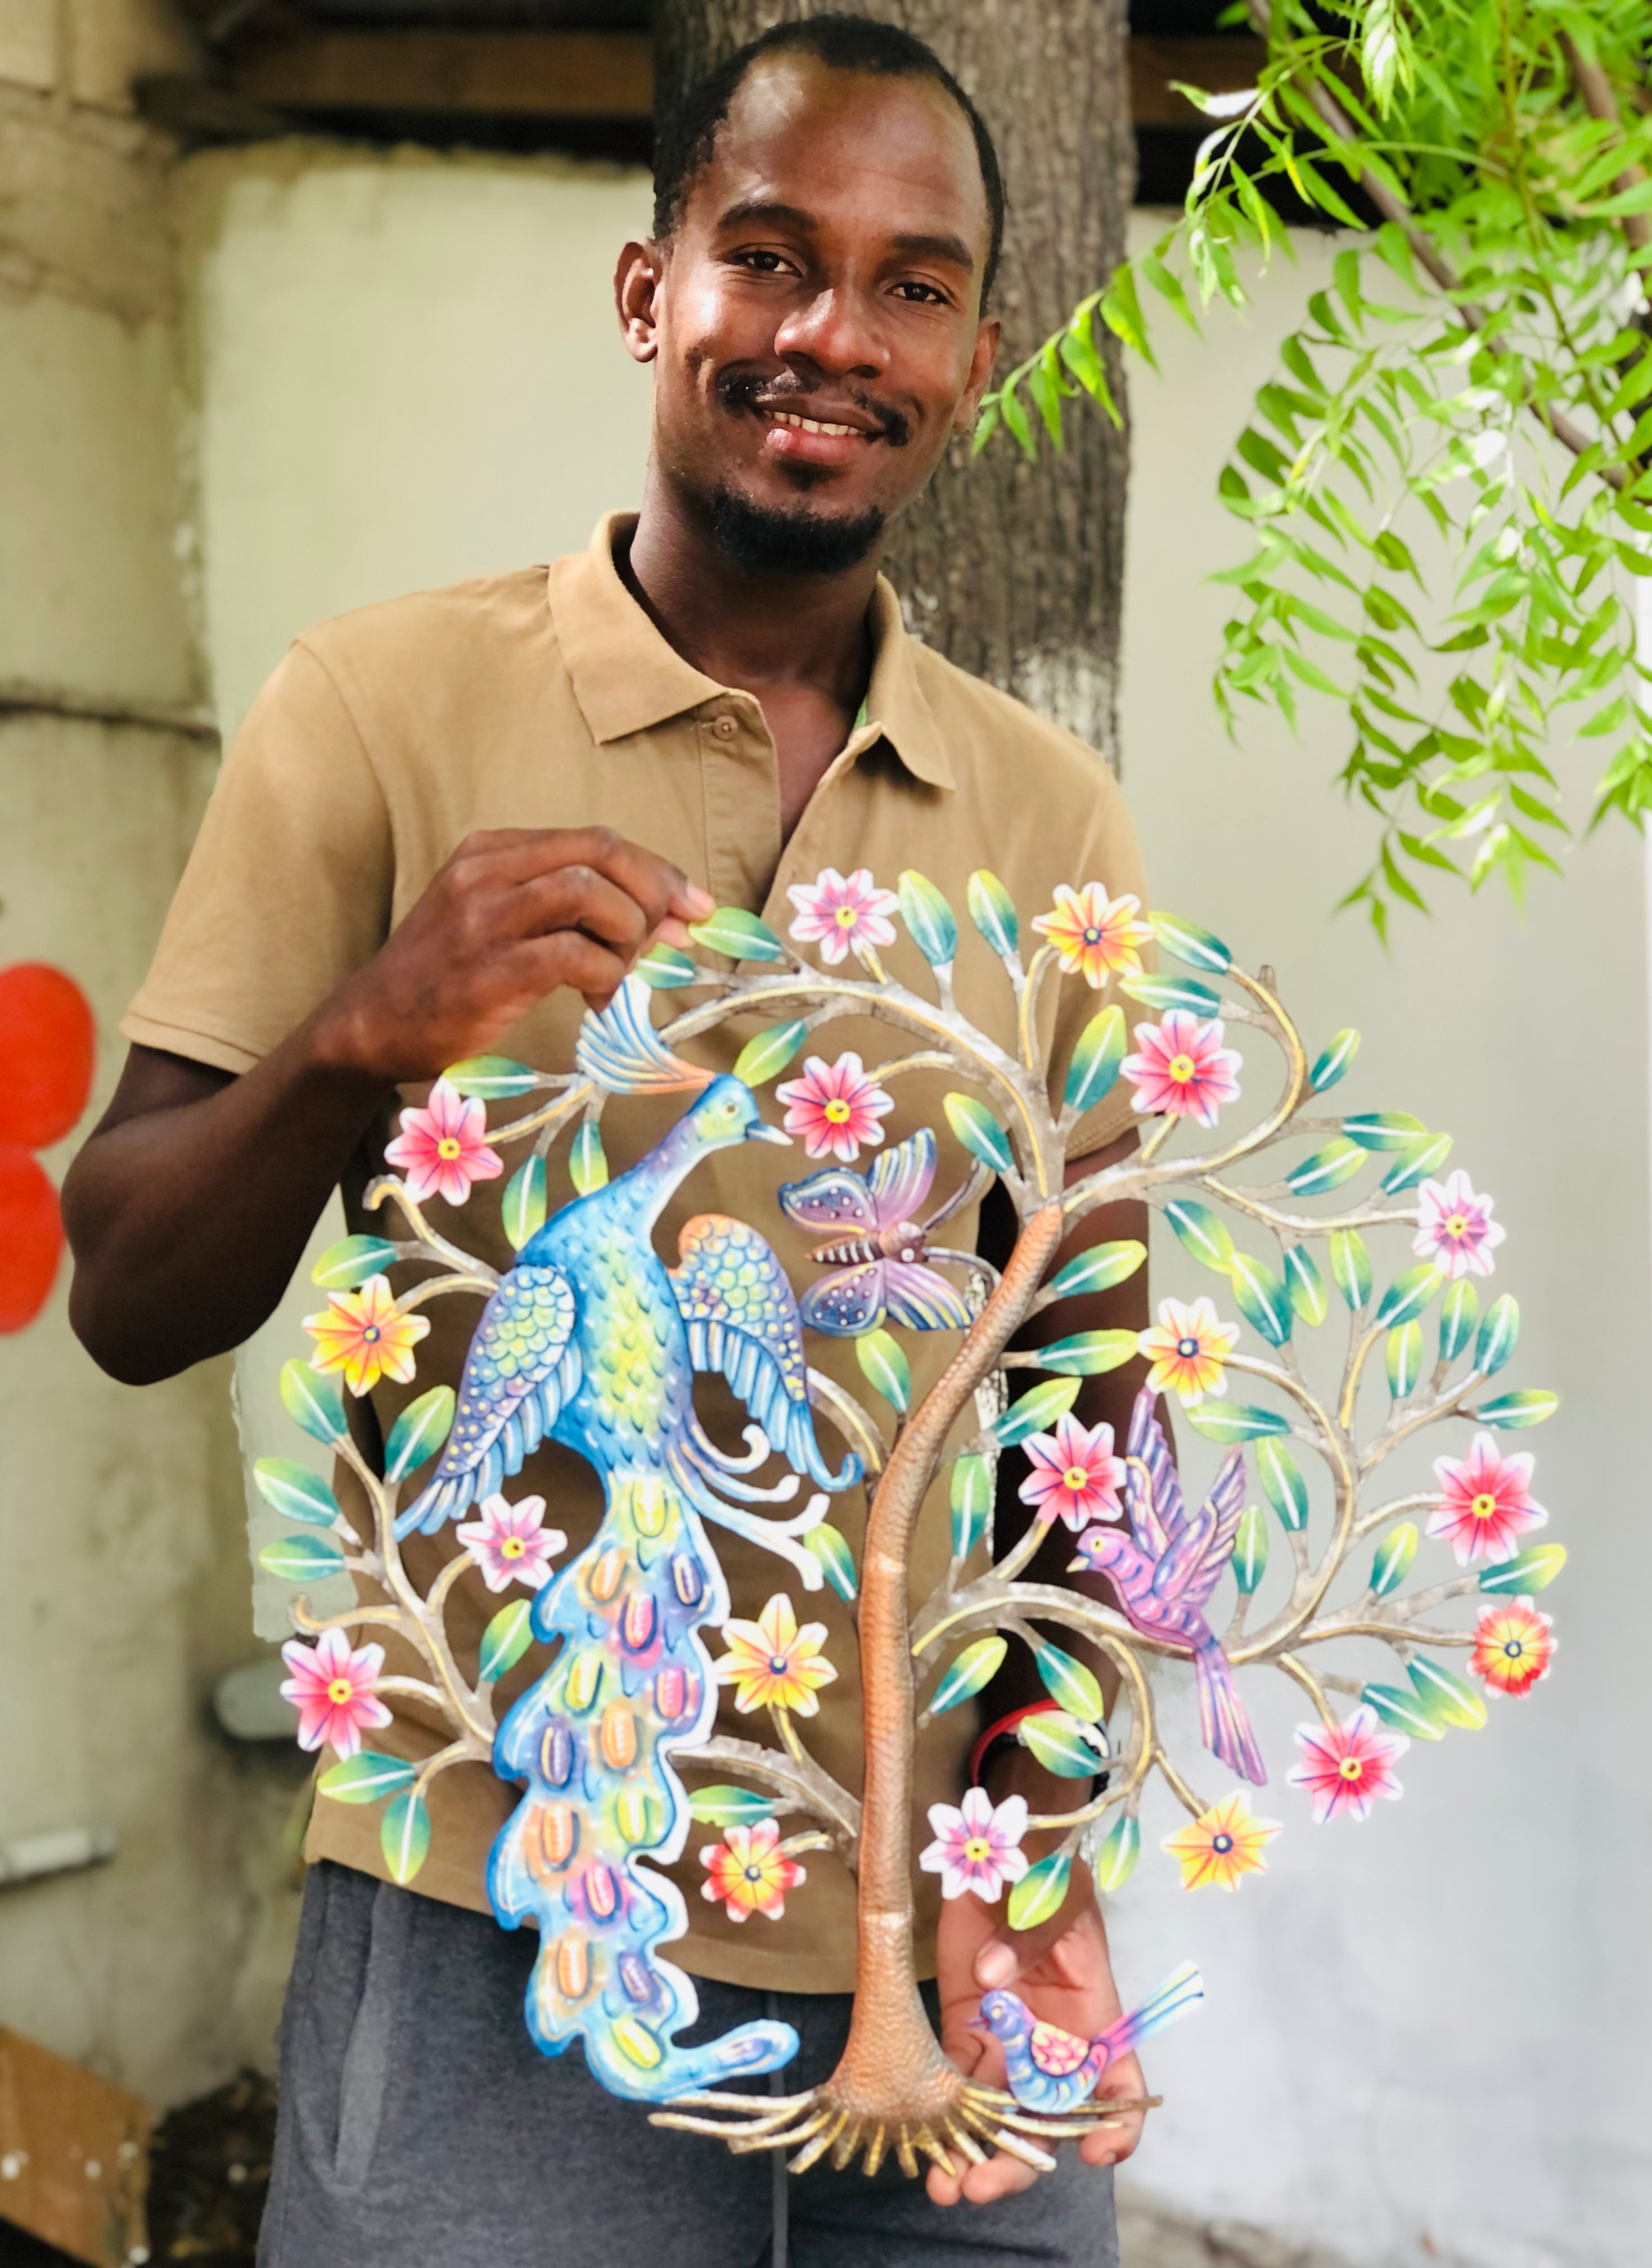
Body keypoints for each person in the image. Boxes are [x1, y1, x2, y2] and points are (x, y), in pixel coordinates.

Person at [64, 19, 1154, 2266]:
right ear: (649, 288)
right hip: (490, 1925)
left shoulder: (1049, 820)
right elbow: (127, 1288)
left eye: (910, 283)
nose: (831, 336)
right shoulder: (377, 706)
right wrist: (361, 1038)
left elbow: (1086, 1400)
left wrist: (1032, 1864)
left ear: (971, 349)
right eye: (768, 257)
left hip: (927, 1946)